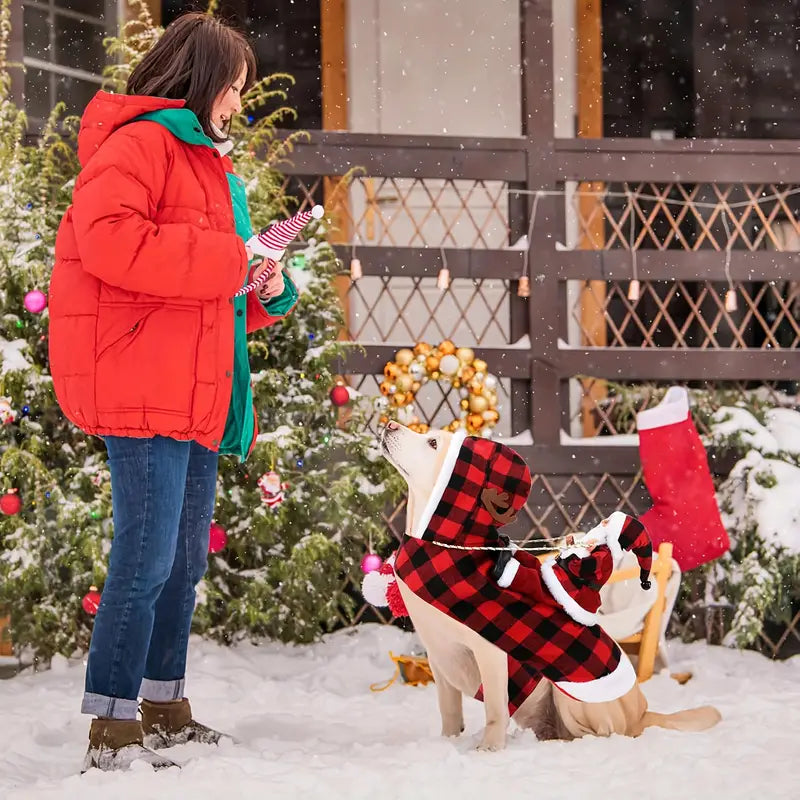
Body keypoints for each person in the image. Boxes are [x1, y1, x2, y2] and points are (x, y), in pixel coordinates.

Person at [48, 13, 299, 772]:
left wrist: (265, 282)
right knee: (145, 556)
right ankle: (112, 721)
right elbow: (112, 243)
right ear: (199, 76)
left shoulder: (210, 166)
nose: (236, 103)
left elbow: (211, 286)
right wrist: (231, 258)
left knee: (183, 559)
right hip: (143, 382)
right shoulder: (138, 144)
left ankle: (162, 703)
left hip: (195, 388)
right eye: (232, 86)